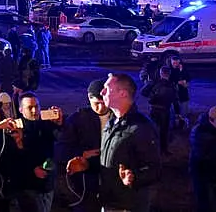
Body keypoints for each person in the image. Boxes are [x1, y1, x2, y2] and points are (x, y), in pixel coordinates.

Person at [68, 73, 161, 212]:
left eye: (107, 88)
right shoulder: (112, 123)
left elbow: (154, 169)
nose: (102, 92)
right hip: (108, 201)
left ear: (122, 93)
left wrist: (133, 177)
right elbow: (110, 161)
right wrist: (87, 165)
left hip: (127, 205)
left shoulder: (141, 127)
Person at [57, 79, 111, 212]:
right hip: (85, 180)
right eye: (96, 104)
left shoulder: (118, 117)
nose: (101, 107)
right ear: (89, 98)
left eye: (104, 103)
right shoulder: (77, 118)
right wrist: (81, 153)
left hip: (112, 176)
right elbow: (61, 147)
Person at [14, 92, 63, 212]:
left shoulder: (46, 124)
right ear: (21, 109)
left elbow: (61, 142)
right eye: (29, 107)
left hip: (47, 183)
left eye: (37, 106)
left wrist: (59, 124)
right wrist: (32, 169)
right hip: (28, 186)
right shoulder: (16, 128)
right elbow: (13, 160)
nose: (34, 110)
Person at [189, 105, 216, 212]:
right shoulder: (199, 133)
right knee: (207, 205)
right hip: (204, 176)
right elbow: (206, 156)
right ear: (211, 120)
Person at [140, 66, 177, 155]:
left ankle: (155, 150)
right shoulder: (172, 85)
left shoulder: (154, 83)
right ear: (169, 74)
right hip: (166, 110)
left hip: (155, 110)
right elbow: (175, 100)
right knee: (164, 131)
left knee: (154, 130)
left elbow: (143, 92)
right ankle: (163, 150)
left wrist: (151, 95)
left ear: (161, 73)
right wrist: (178, 113)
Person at [168, 55, 191, 123]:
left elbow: (188, 77)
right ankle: (176, 119)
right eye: (174, 63)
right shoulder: (169, 69)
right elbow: (169, 79)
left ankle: (183, 119)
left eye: (177, 63)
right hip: (174, 92)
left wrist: (185, 81)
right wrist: (177, 82)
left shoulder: (183, 68)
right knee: (175, 107)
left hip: (183, 91)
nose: (175, 65)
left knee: (184, 106)